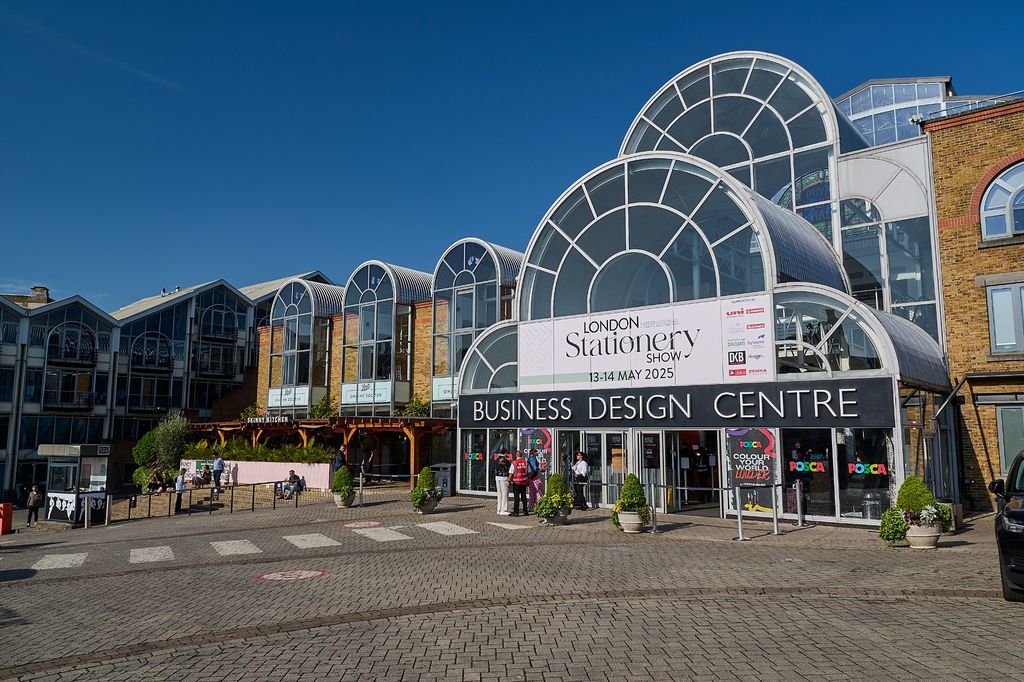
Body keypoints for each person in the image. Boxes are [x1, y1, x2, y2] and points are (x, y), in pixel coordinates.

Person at [509, 450, 530, 517]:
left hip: (516, 482)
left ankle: (516, 512)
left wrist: (509, 480)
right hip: (524, 481)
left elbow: (511, 473)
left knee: (516, 498)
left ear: (516, 455)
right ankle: (525, 511)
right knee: (524, 497)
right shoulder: (526, 462)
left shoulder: (514, 463)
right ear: (521, 455)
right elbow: (529, 472)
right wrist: (528, 480)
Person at [493, 449, 511, 516]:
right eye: (507, 453)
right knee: (505, 493)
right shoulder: (506, 461)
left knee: (499, 494)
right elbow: (509, 470)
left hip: (497, 477)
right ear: (505, 453)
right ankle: (503, 510)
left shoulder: (496, 460)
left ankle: (499, 509)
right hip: (504, 477)